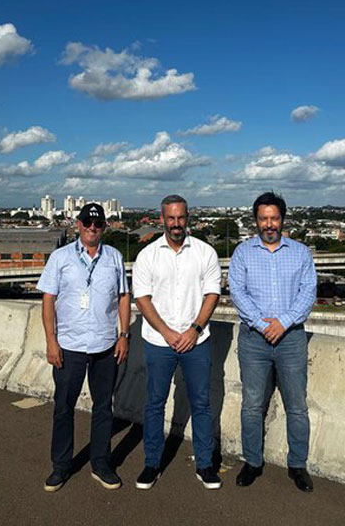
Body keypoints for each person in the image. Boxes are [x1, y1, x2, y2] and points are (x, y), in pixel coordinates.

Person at [36, 202, 131, 492]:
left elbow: (124, 297)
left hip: (104, 345)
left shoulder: (113, 257)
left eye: (98, 224)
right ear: (78, 225)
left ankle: (101, 464)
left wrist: (124, 334)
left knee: (103, 408)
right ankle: (61, 466)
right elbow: (48, 300)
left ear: (104, 226)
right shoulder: (60, 258)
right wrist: (51, 341)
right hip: (70, 345)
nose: (92, 228)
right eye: (87, 223)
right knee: (64, 408)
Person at [132, 194, 222, 490]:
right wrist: (168, 333)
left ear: (188, 218)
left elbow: (212, 294)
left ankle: (206, 465)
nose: (176, 223)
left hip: (197, 340)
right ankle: (152, 463)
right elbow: (142, 299)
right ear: (162, 219)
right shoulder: (148, 255)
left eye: (181, 217)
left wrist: (194, 330)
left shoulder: (205, 252)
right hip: (159, 341)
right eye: (170, 218)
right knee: (155, 403)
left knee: (201, 403)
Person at [229, 191, 317, 492]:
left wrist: (283, 322)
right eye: (264, 218)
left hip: (291, 338)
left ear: (283, 219)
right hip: (254, 339)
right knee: (252, 405)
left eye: (274, 218)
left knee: (297, 405)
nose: (269, 224)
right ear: (256, 221)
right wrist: (261, 324)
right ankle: (252, 462)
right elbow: (237, 292)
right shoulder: (242, 252)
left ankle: (298, 465)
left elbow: (308, 293)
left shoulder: (301, 252)